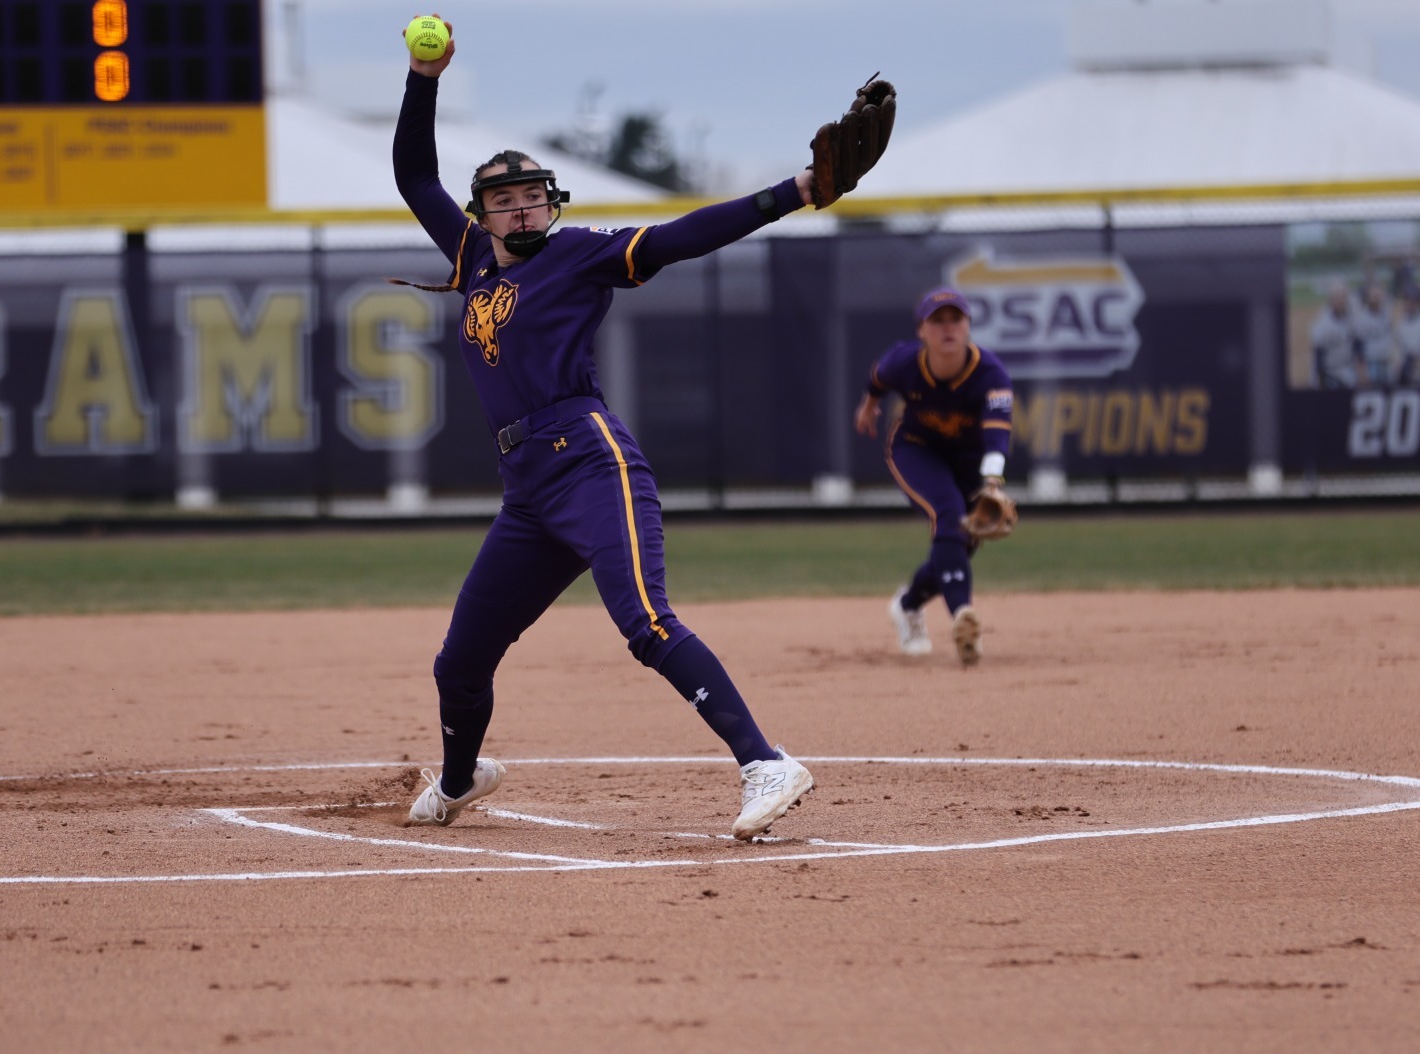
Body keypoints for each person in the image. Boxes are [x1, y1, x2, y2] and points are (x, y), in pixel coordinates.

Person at [391, 17, 816, 840]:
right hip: (527, 491)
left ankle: (765, 760)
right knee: (460, 660)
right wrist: (422, 78)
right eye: (503, 200)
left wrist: (791, 192)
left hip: (590, 462)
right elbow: (414, 174)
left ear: (552, 203)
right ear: (482, 214)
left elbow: (684, 235)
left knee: (646, 622)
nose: (521, 208)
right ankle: (460, 778)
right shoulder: (472, 258)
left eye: (532, 196)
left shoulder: (579, 253)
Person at [855, 288, 1015, 666]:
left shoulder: (991, 374)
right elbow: (877, 378)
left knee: (962, 541)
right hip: (915, 448)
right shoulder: (905, 362)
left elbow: (997, 435)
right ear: (921, 331)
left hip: (969, 461)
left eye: (955, 319)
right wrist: (868, 406)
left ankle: (908, 605)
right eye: (937, 321)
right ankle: (963, 615)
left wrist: (992, 482)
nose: (947, 328)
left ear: (968, 326)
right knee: (948, 511)